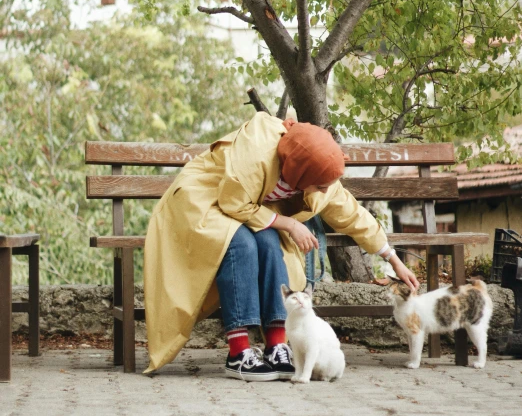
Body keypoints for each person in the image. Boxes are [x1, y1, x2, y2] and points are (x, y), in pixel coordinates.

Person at [143, 112, 419, 378]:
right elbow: (233, 202)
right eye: (321, 186)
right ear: (300, 172)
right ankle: (238, 353)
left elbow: (352, 214)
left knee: (268, 241)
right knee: (241, 245)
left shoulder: (317, 171)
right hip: (205, 199)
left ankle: (276, 346)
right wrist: (290, 224)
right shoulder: (258, 150)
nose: (326, 191)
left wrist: (393, 259)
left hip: (251, 210)